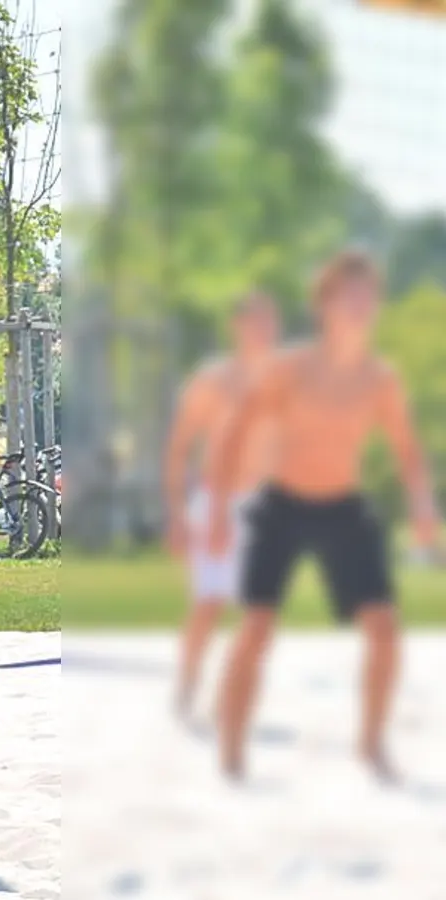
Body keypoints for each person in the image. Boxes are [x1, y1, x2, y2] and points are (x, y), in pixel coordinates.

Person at [209, 249, 438, 783]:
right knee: (257, 626)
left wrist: (423, 505)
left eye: (368, 295)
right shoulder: (290, 369)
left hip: (344, 508)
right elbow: (236, 432)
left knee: (384, 629)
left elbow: (406, 450)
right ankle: (232, 744)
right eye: (349, 295)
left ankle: (372, 741)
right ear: (326, 304)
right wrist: (219, 508)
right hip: (284, 505)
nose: (360, 305)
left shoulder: (380, 379)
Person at [162, 292, 280, 720]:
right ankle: (189, 684)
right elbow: (178, 449)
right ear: (238, 328)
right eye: (255, 323)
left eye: (269, 324)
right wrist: (177, 514)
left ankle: (233, 693)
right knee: (210, 605)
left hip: (266, 506)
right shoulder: (213, 382)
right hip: (216, 505)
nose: (264, 332)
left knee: (259, 612)